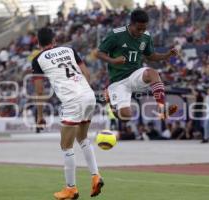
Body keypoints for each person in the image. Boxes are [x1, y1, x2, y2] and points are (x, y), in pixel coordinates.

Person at [32, 28, 103, 200]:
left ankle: (71, 189)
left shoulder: (38, 59)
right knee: (83, 139)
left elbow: (40, 91)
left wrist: (40, 115)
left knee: (66, 146)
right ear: (54, 40)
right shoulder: (69, 50)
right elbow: (86, 73)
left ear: (38, 43)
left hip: (72, 100)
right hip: (88, 95)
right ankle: (95, 176)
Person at [96, 9, 178, 126]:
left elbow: (151, 56)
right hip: (118, 81)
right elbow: (99, 53)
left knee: (153, 73)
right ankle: (111, 103)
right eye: (139, 28)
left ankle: (161, 107)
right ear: (131, 24)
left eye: (144, 28)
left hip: (135, 75)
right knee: (125, 117)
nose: (141, 31)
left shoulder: (146, 36)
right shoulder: (116, 34)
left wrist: (167, 55)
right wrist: (113, 60)